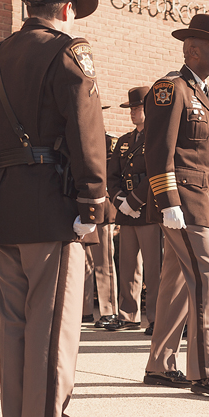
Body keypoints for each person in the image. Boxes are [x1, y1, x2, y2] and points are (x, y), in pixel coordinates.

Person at [0, 0, 107, 417]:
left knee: (15, 326)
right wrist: (93, 199)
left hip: (3, 200)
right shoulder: (69, 51)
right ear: (67, 8)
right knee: (51, 325)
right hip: (51, 202)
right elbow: (86, 128)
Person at [143, 13, 209, 396]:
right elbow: (158, 151)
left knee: (175, 284)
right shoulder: (171, 90)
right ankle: (206, 372)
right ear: (193, 49)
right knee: (208, 280)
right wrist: (168, 201)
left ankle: (160, 364)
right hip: (185, 204)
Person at [103, 86, 162, 334]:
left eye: (137, 108)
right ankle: (128, 315)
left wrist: (135, 201)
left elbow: (155, 174)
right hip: (127, 212)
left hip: (148, 211)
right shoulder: (125, 141)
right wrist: (120, 202)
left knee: (154, 268)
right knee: (127, 266)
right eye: (131, 109)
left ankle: (158, 317)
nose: (133, 113)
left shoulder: (157, 137)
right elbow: (112, 175)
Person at [83, 128, 119, 329]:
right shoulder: (80, 137)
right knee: (84, 263)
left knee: (103, 261)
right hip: (82, 207)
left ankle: (108, 310)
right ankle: (84, 310)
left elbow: (111, 175)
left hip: (102, 208)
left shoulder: (109, 142)